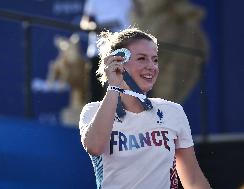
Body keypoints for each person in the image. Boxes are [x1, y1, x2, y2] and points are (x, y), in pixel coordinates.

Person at [79, 27, 211, 189]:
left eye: (154, 60)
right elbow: (94, 146)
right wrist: (114, 86)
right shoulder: (93, 111)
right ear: (119, 63)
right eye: (142, 59)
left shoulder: (173, 111)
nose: (152, 66)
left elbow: (193, 179)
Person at [80, 0, 134, 102]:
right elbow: (84, 23)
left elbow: (142, 15)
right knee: (95, 96)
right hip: (98, 52)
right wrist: (95, 27)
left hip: (124, 52)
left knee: (126, 95)